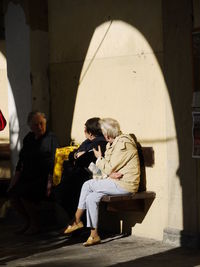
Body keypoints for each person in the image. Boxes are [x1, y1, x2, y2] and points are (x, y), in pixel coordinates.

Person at [63, 118, 141, 246]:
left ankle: (76, 220)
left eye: (104, 132)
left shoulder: (123, 143)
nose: (103, 135)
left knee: (87, 184)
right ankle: (94, 235)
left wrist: (100, 159)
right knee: (91, 198)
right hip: (115, 182)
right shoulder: (113, 143)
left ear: (108, 133)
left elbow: (109, 167)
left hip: (125, 184)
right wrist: (109, 171)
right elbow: (108, 169)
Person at [8, 111, 59, 234]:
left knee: (26, 194)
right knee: (12, 194)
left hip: (43, 179)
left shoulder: (51, 138)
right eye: (36, 125)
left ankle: (35, 225)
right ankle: (27, 222)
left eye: (42, 123)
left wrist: (49, 182)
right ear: (30, 126)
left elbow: (55, 162)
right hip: (27, 177)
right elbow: (21, 162)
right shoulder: (29, 138)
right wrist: (14, 181)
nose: (40, 127)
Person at [54, 117, 107, 219]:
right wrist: (76, 155)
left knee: (62, 193)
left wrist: (77, 157)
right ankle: (76, 222)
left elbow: (83, 161)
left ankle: (78, 223)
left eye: (85, 129)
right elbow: (72, 155)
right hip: (79, 176)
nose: (84, 131)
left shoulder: (100, 143)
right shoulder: (87, 142)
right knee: (61, 192)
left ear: (90, 133)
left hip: (89, 177)